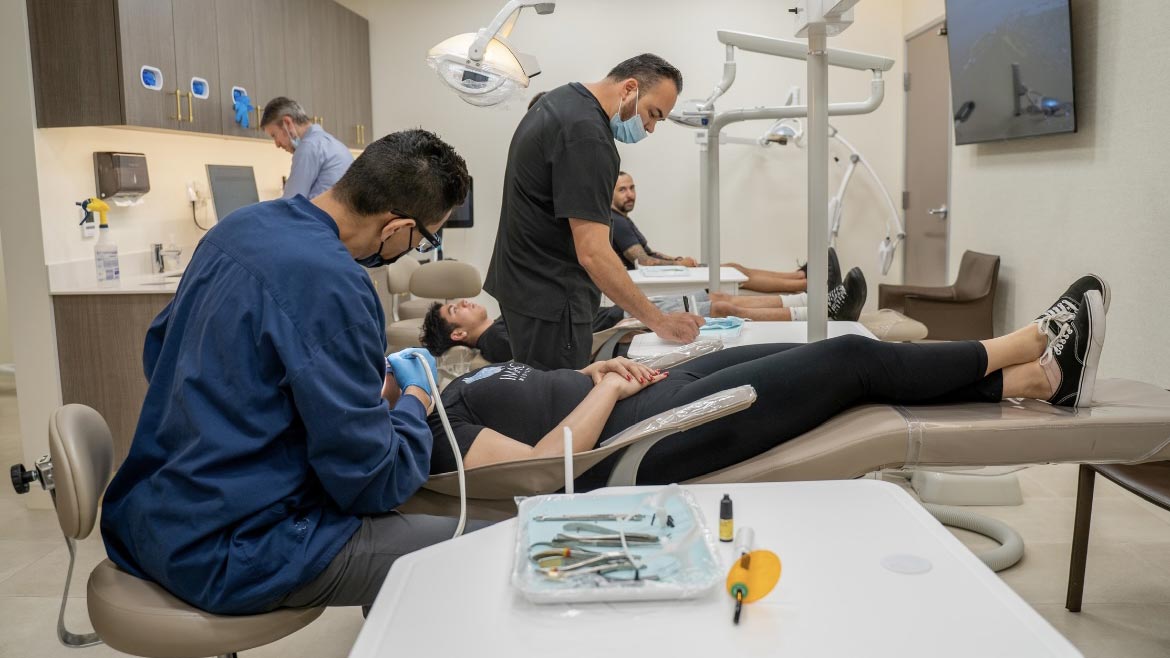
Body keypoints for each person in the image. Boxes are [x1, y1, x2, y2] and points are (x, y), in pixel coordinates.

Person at [100, 130, 472, 615]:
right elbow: (372, 484)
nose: (418, 248)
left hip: (150, 517)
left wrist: (331, 382)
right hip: (229, 549)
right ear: (396, 227)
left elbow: (162, 352)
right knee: (475, 546)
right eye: (425, 238)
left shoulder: (240, 226)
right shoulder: (338, 283)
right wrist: (415, 401)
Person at [422, 275, 1109, 489]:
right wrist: (608, 392)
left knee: (825, 348)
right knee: (848, 366)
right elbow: (546, 469)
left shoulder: (455, 388)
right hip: (644, 437)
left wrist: (591, 371)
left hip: (639, 392)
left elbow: (544, 401)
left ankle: (1035, 380)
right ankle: (1027, 343)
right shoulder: (431, 434)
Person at [484, 54, 704, 371]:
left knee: (540, 394)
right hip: (551, 298)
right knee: (559, 404)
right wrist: (660, 322)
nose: (651, 128)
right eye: (653, 114)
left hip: (526, 287)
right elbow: (593, 253)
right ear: (630, 88)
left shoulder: (563, 100)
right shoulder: (588, 136)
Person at [610, 171, 808, 295]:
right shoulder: (617, 222)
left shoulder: (622, 219)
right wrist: (679, 265)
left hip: (667, 274)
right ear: (610, 193)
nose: (630, 194)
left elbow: (650, 253)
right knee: (737, 274)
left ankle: (799, 277)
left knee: (735, 268)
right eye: (622, 190)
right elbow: (643, 262)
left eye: (632, 188)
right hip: (656, 282)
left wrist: (676, 259)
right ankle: (806, 284)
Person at [419, 299, 630, 362]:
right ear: (458, 334)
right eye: (456, 309)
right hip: (621, 329)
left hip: (617, 319)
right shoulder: (498, 342)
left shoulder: (501, 324)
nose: (464, 301)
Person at [261, 96, 355, 200]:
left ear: (287, 122)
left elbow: (290, 203)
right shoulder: (333, 144)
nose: (277, 144)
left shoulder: (309, 147)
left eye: (274, 135)